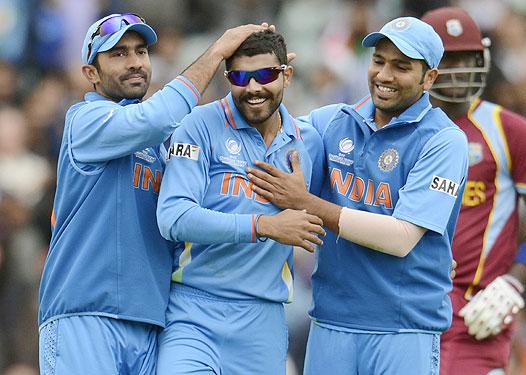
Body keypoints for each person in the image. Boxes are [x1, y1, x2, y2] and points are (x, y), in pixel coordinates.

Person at [37, 13, 270, 375]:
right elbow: (155, 118)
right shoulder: (84, 120)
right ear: (90, 74)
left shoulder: (163, 144)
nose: (134, 62)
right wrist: (216, 51)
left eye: (141, 51)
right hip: (84, 316)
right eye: (117, 54)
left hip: (149, 321)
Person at [247, 16, 469, 374]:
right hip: (331, 321)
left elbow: (400, 238)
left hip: (404, 327)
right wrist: (262, 74)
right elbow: (265, 138)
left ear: (430, 78)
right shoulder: (333, 121)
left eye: (401, 66)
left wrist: (306, 203)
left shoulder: (444, 140)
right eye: (379, 60)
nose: (384, 75)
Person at [155, 30, 325, 375]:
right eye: (240, 77)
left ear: (286, 75)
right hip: (194, 311)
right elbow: (173, 217)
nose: (252, 88)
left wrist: (427, 253)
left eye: (264, 75)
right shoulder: (199, 125)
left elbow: (349, 208)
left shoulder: (310, 142)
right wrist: (264, 226)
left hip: (262, 320)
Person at [421, 6, 526, 375]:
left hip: (476, 309)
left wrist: (514, 282)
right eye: (447, 59)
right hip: (406, 305)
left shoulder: (508, 128)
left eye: (466, 57)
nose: (458, 69)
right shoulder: (394, 128)